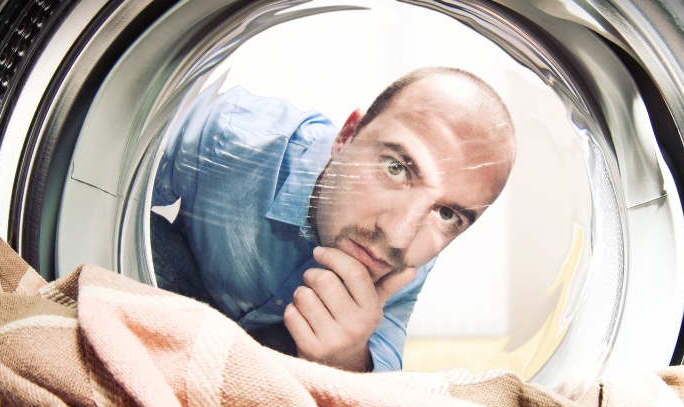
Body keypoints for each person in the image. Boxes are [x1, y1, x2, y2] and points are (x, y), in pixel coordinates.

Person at [150, 66, 517, 373]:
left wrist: (347, 357)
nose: (398, 236)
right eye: (396, 168)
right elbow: (105, 177)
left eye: (448, 213)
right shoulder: (233, 134)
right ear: (346, 136)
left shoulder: (409, 259)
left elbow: (383, 367)